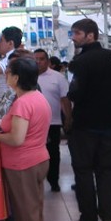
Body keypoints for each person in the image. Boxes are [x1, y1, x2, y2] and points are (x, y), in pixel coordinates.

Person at [0, 54, 50, 221]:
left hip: (23, 164)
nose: (6, 76)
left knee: (27, 218)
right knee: (32, 216)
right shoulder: (37, 97)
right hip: (35, 160)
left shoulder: (23, 103)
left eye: (8, 73)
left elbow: (16, 138)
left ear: (16, 78)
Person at [67, 18, 111, 221]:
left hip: (85, 124)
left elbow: (75, 92)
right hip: (109, 123)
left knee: (83, 170)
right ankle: (109, 216)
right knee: (105, 171)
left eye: (77, 33)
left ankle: (89, 216)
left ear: (91, 35)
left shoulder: (81, 62)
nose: (74, 38)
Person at [34, 48, 71, 193]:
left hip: (53, 123)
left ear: (48, 61)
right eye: (35, 59)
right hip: (34, 124)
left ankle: (54, 180)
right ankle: (36, 181)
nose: (38, 62)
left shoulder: (58, 78)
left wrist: (68, 117)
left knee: (53, 153)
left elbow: (64, 99)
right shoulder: (28, 77)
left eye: (41, 59)